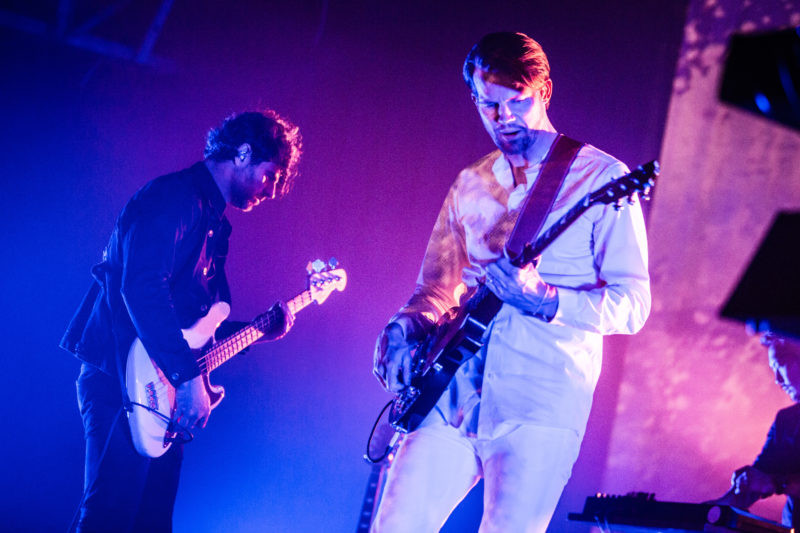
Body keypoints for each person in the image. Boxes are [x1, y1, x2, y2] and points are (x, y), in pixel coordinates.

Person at [371, 32, 651, 532]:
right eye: (488, 105)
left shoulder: (602, 177)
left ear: (544, 91)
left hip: (539, 406)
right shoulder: (470, 182)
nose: (503, 119)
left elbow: (632, 304)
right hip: (450, 394)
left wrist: (543, 300)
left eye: (516, 103)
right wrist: (402, 327)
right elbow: (435, 288)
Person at [60, 109, 302, 532]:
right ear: (243, 153)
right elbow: (140, 286)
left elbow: (192, 327)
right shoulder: (172, 198)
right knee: (108, 519)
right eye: (271, 174)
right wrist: (189, 378)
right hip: (120, 377)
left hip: (162, 388)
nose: (274, 190)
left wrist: (261, 330)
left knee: (151, 523)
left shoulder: (214, 226)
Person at [714, 332, 800, 529]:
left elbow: (770, 481)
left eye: (781, 365)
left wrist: (776, 483)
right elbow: (759, 480)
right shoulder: (786, 421)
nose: (777, 379)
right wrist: (694, 514)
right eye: (773, 369)